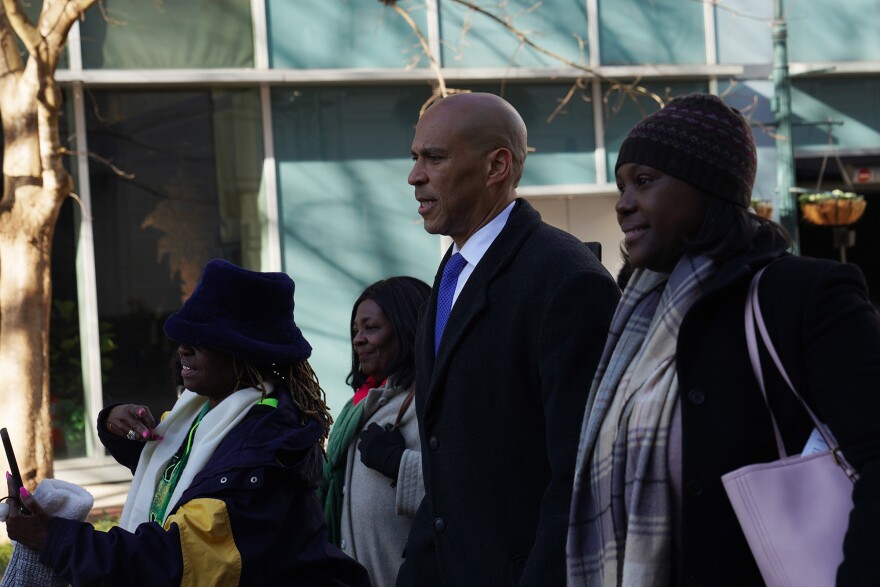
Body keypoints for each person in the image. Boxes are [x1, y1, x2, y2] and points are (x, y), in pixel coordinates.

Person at [566, 93, 880, 586]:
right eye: (621, 185)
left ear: (705, 190)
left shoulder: (799, 295)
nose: (624, 204)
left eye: (645, 182)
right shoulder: (633, 321)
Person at [5, 259, 371, 586]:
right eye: (184, 336)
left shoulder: (261, 446)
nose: (183, 347)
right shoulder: (206, 411)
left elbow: (173, 563)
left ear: (247, 353)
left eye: (203, 338)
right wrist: (115, 426)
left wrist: (53, 537)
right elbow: (174, 472)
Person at [397, 92, 621, 585]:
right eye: (415, 158)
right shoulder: (452, 274)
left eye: (434, 158)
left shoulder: (566, 280)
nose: (415, 176)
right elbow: (446, 461)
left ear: (497, 165)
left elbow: (580, 477)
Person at [319, 276, 431, 587]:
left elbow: (467, 493)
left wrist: (398, 463)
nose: (357, 340)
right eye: (355, 330)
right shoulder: (358, 410)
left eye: (371, 328)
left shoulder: (431, 404)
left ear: (406, 328)